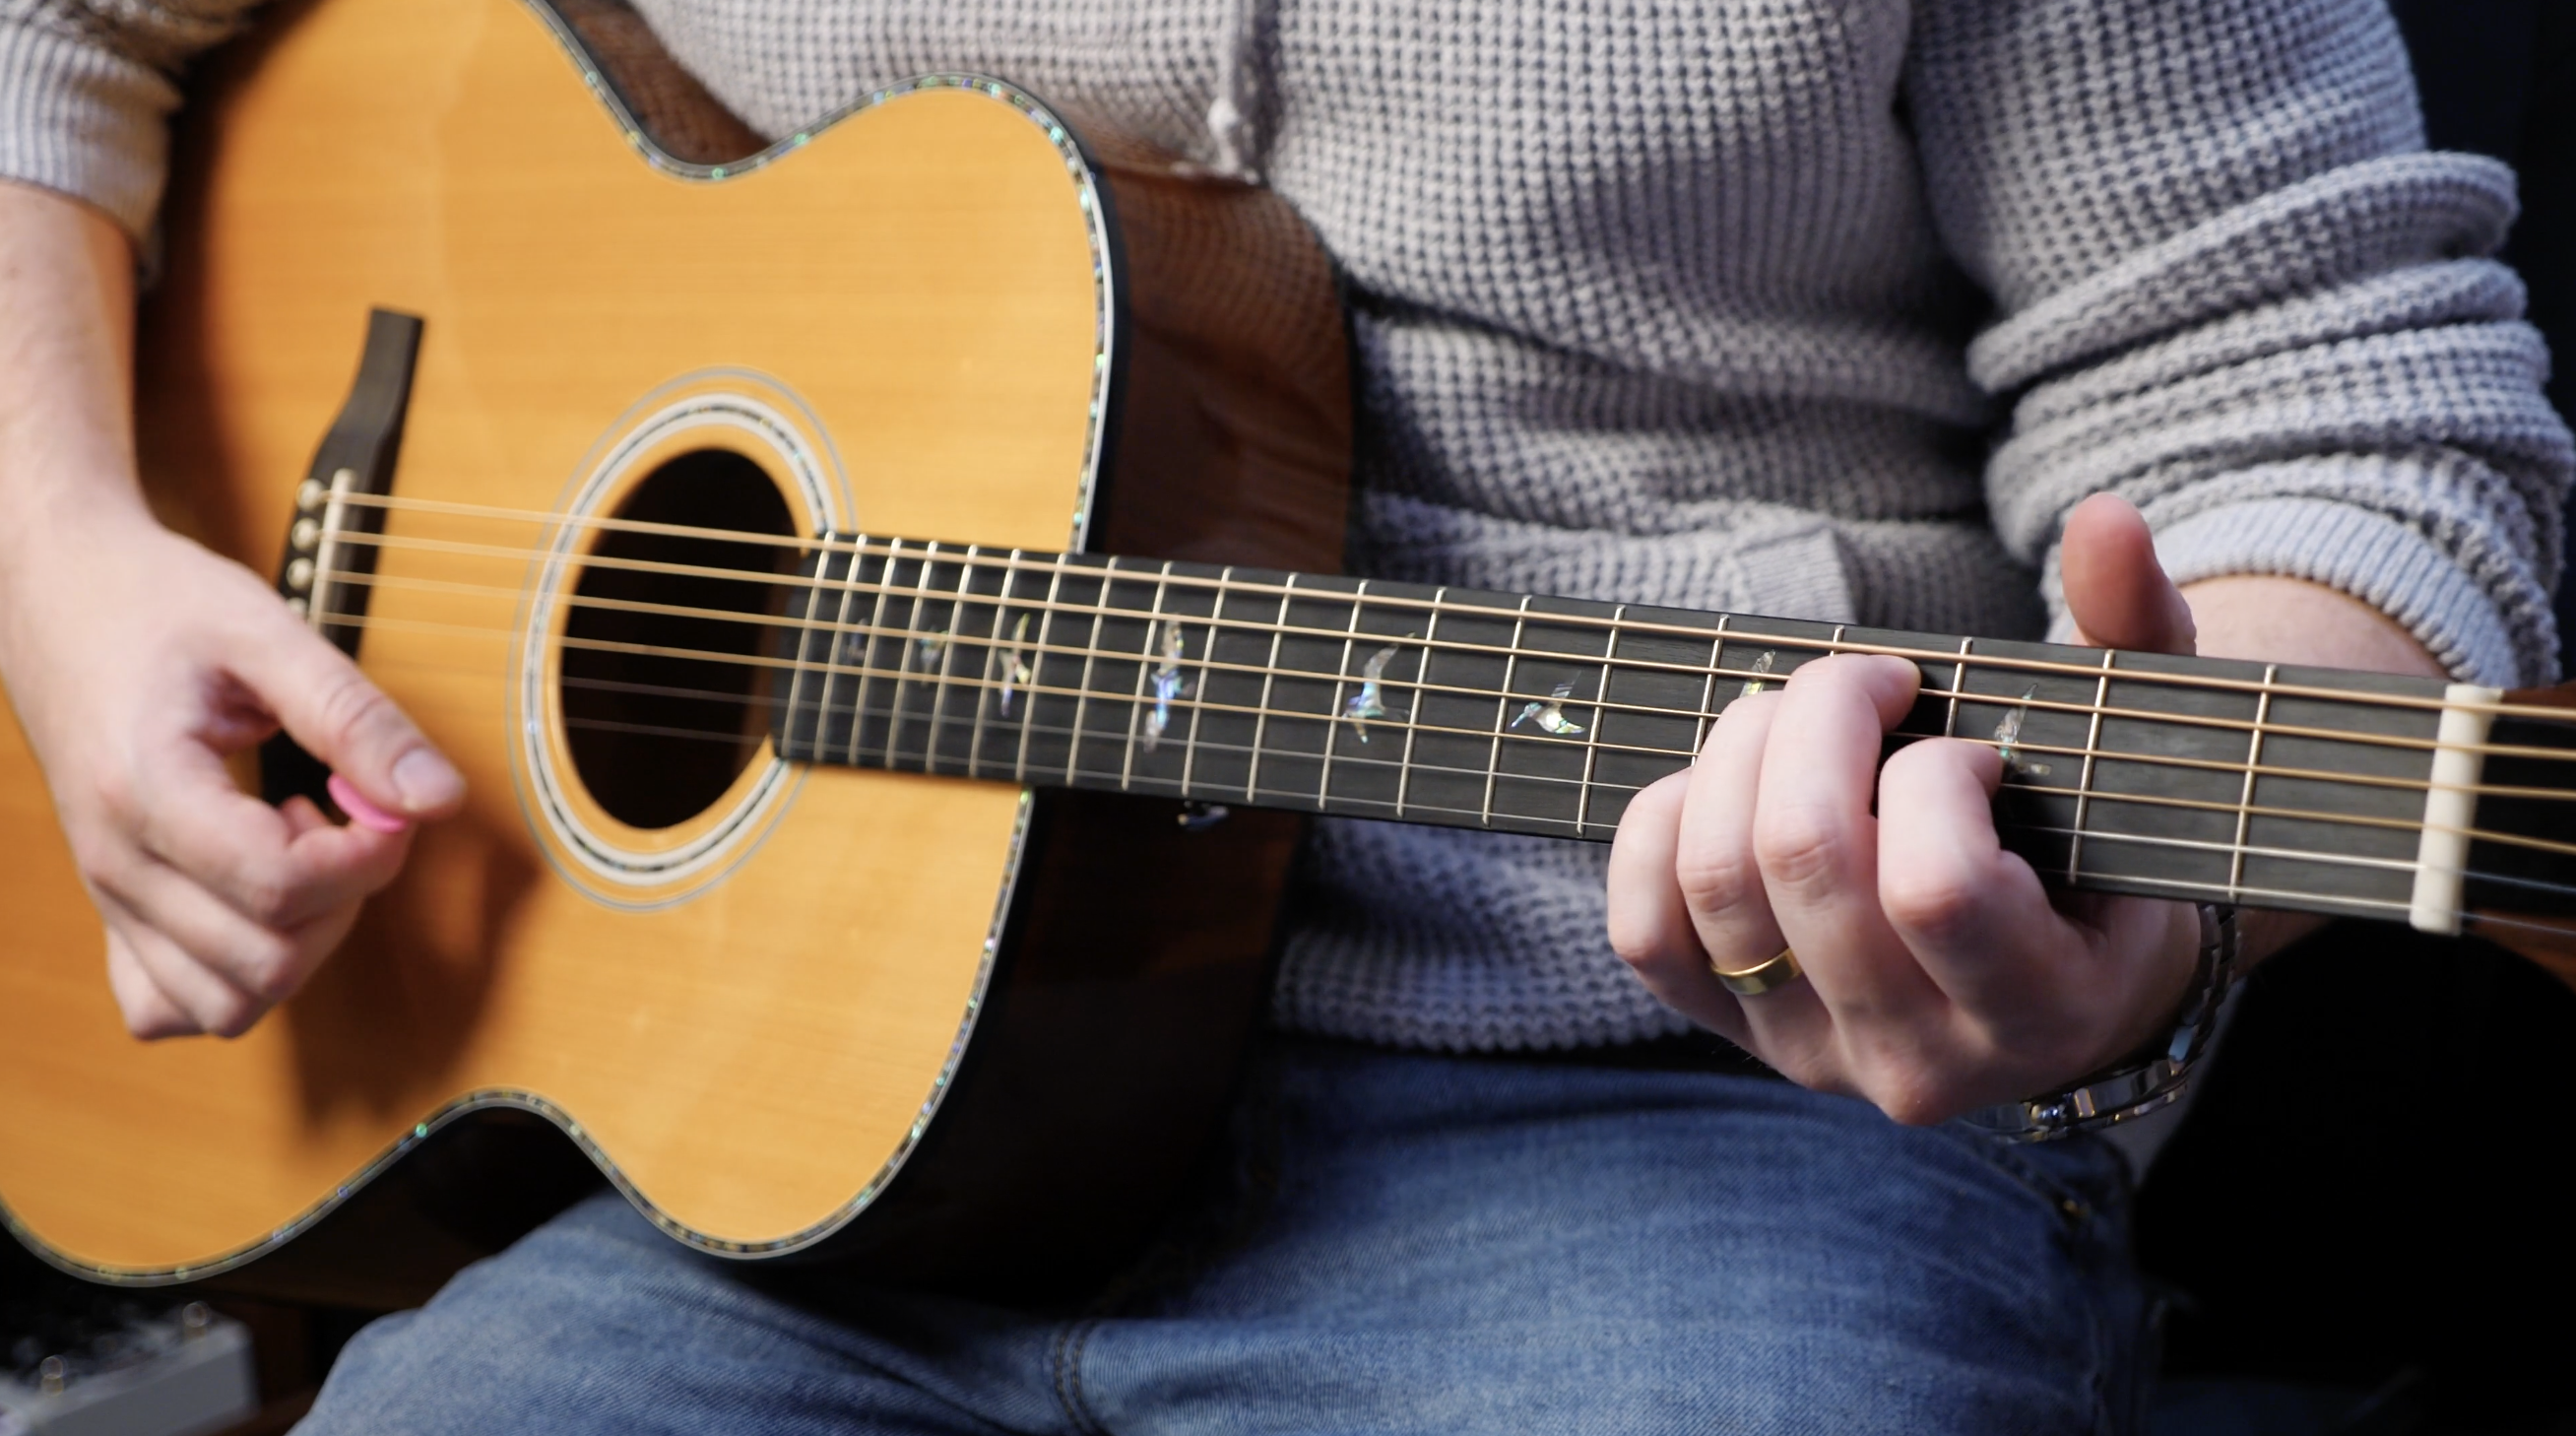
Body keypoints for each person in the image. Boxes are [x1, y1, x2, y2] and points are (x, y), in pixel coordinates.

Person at [0, 0, 2564, 1429]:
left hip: (1706, 1126)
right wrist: (75, 565)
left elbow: (2315, 388)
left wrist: (2184, 902)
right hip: (781, 1166)